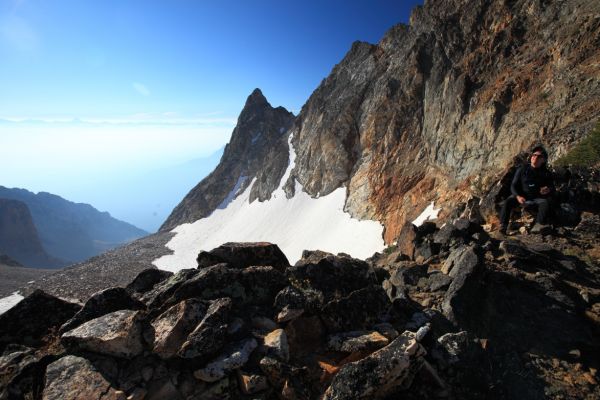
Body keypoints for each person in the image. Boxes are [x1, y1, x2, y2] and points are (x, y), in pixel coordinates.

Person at [499, 145, 555, 234]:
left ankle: (538, 225)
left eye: (539, 156)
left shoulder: (546, 173)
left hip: (536, 198)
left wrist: (548, 189)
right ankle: (503, 226)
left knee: (545, 203)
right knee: (508, 201)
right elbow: (513, 185)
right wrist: (518, 196)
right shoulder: (522, 169)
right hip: (522, 197)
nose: (535, 157)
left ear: (543, 160)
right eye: (534, 155)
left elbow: (552, 187)